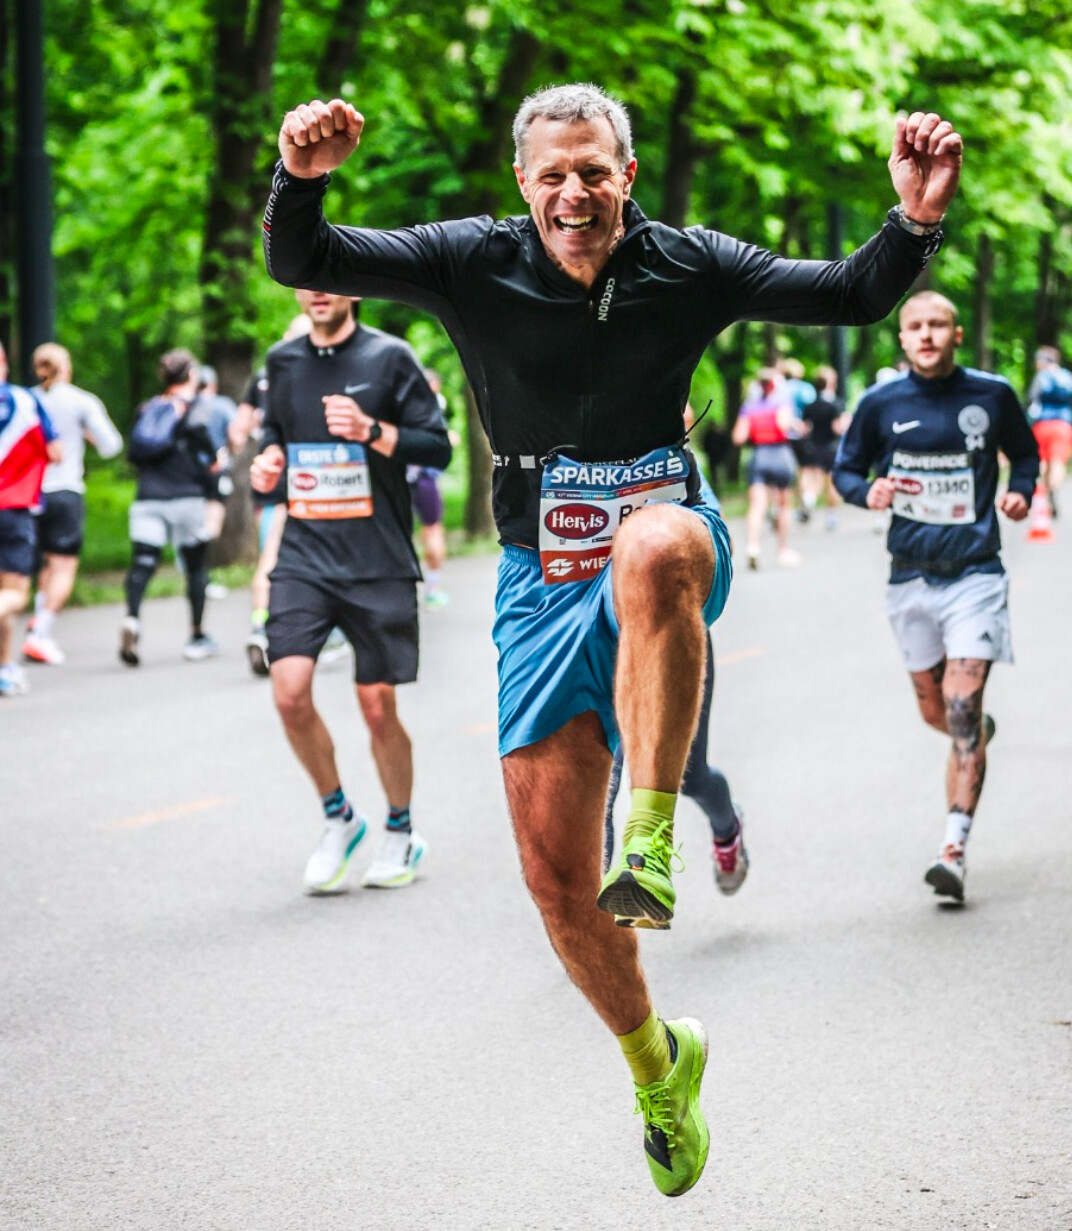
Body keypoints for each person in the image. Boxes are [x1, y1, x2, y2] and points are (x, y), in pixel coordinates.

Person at [265, 83, 960, 1196]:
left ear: (626, 176)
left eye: (594, 171)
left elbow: (851, 291)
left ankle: (652, 833)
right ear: (523, 183)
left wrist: (914, 217)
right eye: (553, 175)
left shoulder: (685, 264)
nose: (574, 194)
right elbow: (305, 253)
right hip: (539, 576)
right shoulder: (470, 259)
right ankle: (657, 1063)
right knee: (554, 883)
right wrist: (300, 175)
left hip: (668, 535)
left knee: (649, 546)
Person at [833, 291, 1037, 902]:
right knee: (936, 713)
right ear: (902, 338)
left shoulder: (992, 394)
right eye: (915, 326)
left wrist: (1021, 492)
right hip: (911, 577)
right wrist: (865, 492)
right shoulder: (880, 402)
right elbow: (845, 470)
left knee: (961, 703)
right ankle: (971, 733)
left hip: (976, 573)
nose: (926, 335)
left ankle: (953, 848)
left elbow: (1025, 454)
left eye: (938, 325)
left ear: (956, 333)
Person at [250, 288, 451, 893]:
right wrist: (268, 465)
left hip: (377, 559)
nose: (316, 291)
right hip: (305, 556)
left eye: (327, 279)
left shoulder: (389, 358)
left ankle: (400, 829)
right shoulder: (283, 361)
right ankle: (339, 816)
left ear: (352, 287)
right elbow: (273, 436)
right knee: (289, 692)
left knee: (377, 706)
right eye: (306, 281)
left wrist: (372, 430)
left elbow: (437, 447)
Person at [603, 411, 748, 897]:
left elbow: (712, 554)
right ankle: (605, 915)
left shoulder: (675, 468)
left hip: (669, 637)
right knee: (602, 780)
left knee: (687, 775)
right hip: (602, 636)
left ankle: (727, 828)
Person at [22, 343, 122, 666]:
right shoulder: (81, 401)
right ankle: (40, 633)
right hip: (65, 490)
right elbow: (111, 445)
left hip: (29, 494)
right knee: (63, 566)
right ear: (66, 367)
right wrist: (87, 436)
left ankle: (38, 624)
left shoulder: (24, 400)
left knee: (46, 564)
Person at [120, 348, 221, 666]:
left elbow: (134, 454)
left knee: (142, 563)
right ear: (191, 375)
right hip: (187, 498)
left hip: (148, 498)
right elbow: (212, 459)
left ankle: (132, 618)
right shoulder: (197, 409)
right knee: (195, 568)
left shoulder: (147, 408)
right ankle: (197, 635)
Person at [236, 314, 312, 675]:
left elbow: (239, 427)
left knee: (269, 557)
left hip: (270, 478)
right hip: (307, 479)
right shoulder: (320, 370)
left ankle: (259, 625)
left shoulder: (263, 375)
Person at [0, 339, 61, 697]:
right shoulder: (24, 401)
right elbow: (55, 451)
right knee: (14, 595)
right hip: (13, 508)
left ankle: (4, 667)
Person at [732, 369, 802, 568]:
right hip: (780, 454)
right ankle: (783, 550)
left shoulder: (749, 406)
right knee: (784, 504)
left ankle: (753, 547)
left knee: (757, 505)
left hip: (758, 455)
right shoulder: (781, 401)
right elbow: (784, 425)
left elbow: (738, 437)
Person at [408, 367, 455, 608]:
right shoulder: (435, 405)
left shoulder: (400, 402)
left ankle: (404, 589)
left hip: (400, 476)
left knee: (399, 532)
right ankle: (433, 590)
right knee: (433, 530)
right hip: (425, 477)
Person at [1025, 344, 1072, 517]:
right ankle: (1053, 490)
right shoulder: (1068, 377)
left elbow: (1031, 400)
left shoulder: (1041, 377)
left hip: (1042, 425)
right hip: (1063, 425)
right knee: (1058, 462)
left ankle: (1043, 490)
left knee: (1043, 462)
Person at [188, 364, 239, 551]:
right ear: (213, 385)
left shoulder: (187, 404)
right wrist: (229, 452)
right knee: (212, 523)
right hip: (217, 468)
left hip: (188, 470)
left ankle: (189, 558)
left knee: (189, 521)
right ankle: (201, 555)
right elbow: (236, 435)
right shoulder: (223, 404)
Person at [797, 365, 849, 530]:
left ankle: (809, 499)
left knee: (814, 479)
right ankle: (831, 516)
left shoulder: (810, 405)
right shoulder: (836, 404)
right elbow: (838, 428)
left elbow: (805, 427)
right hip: (832, 447)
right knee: (831, 483)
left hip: (814, 446)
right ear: (830, 383)